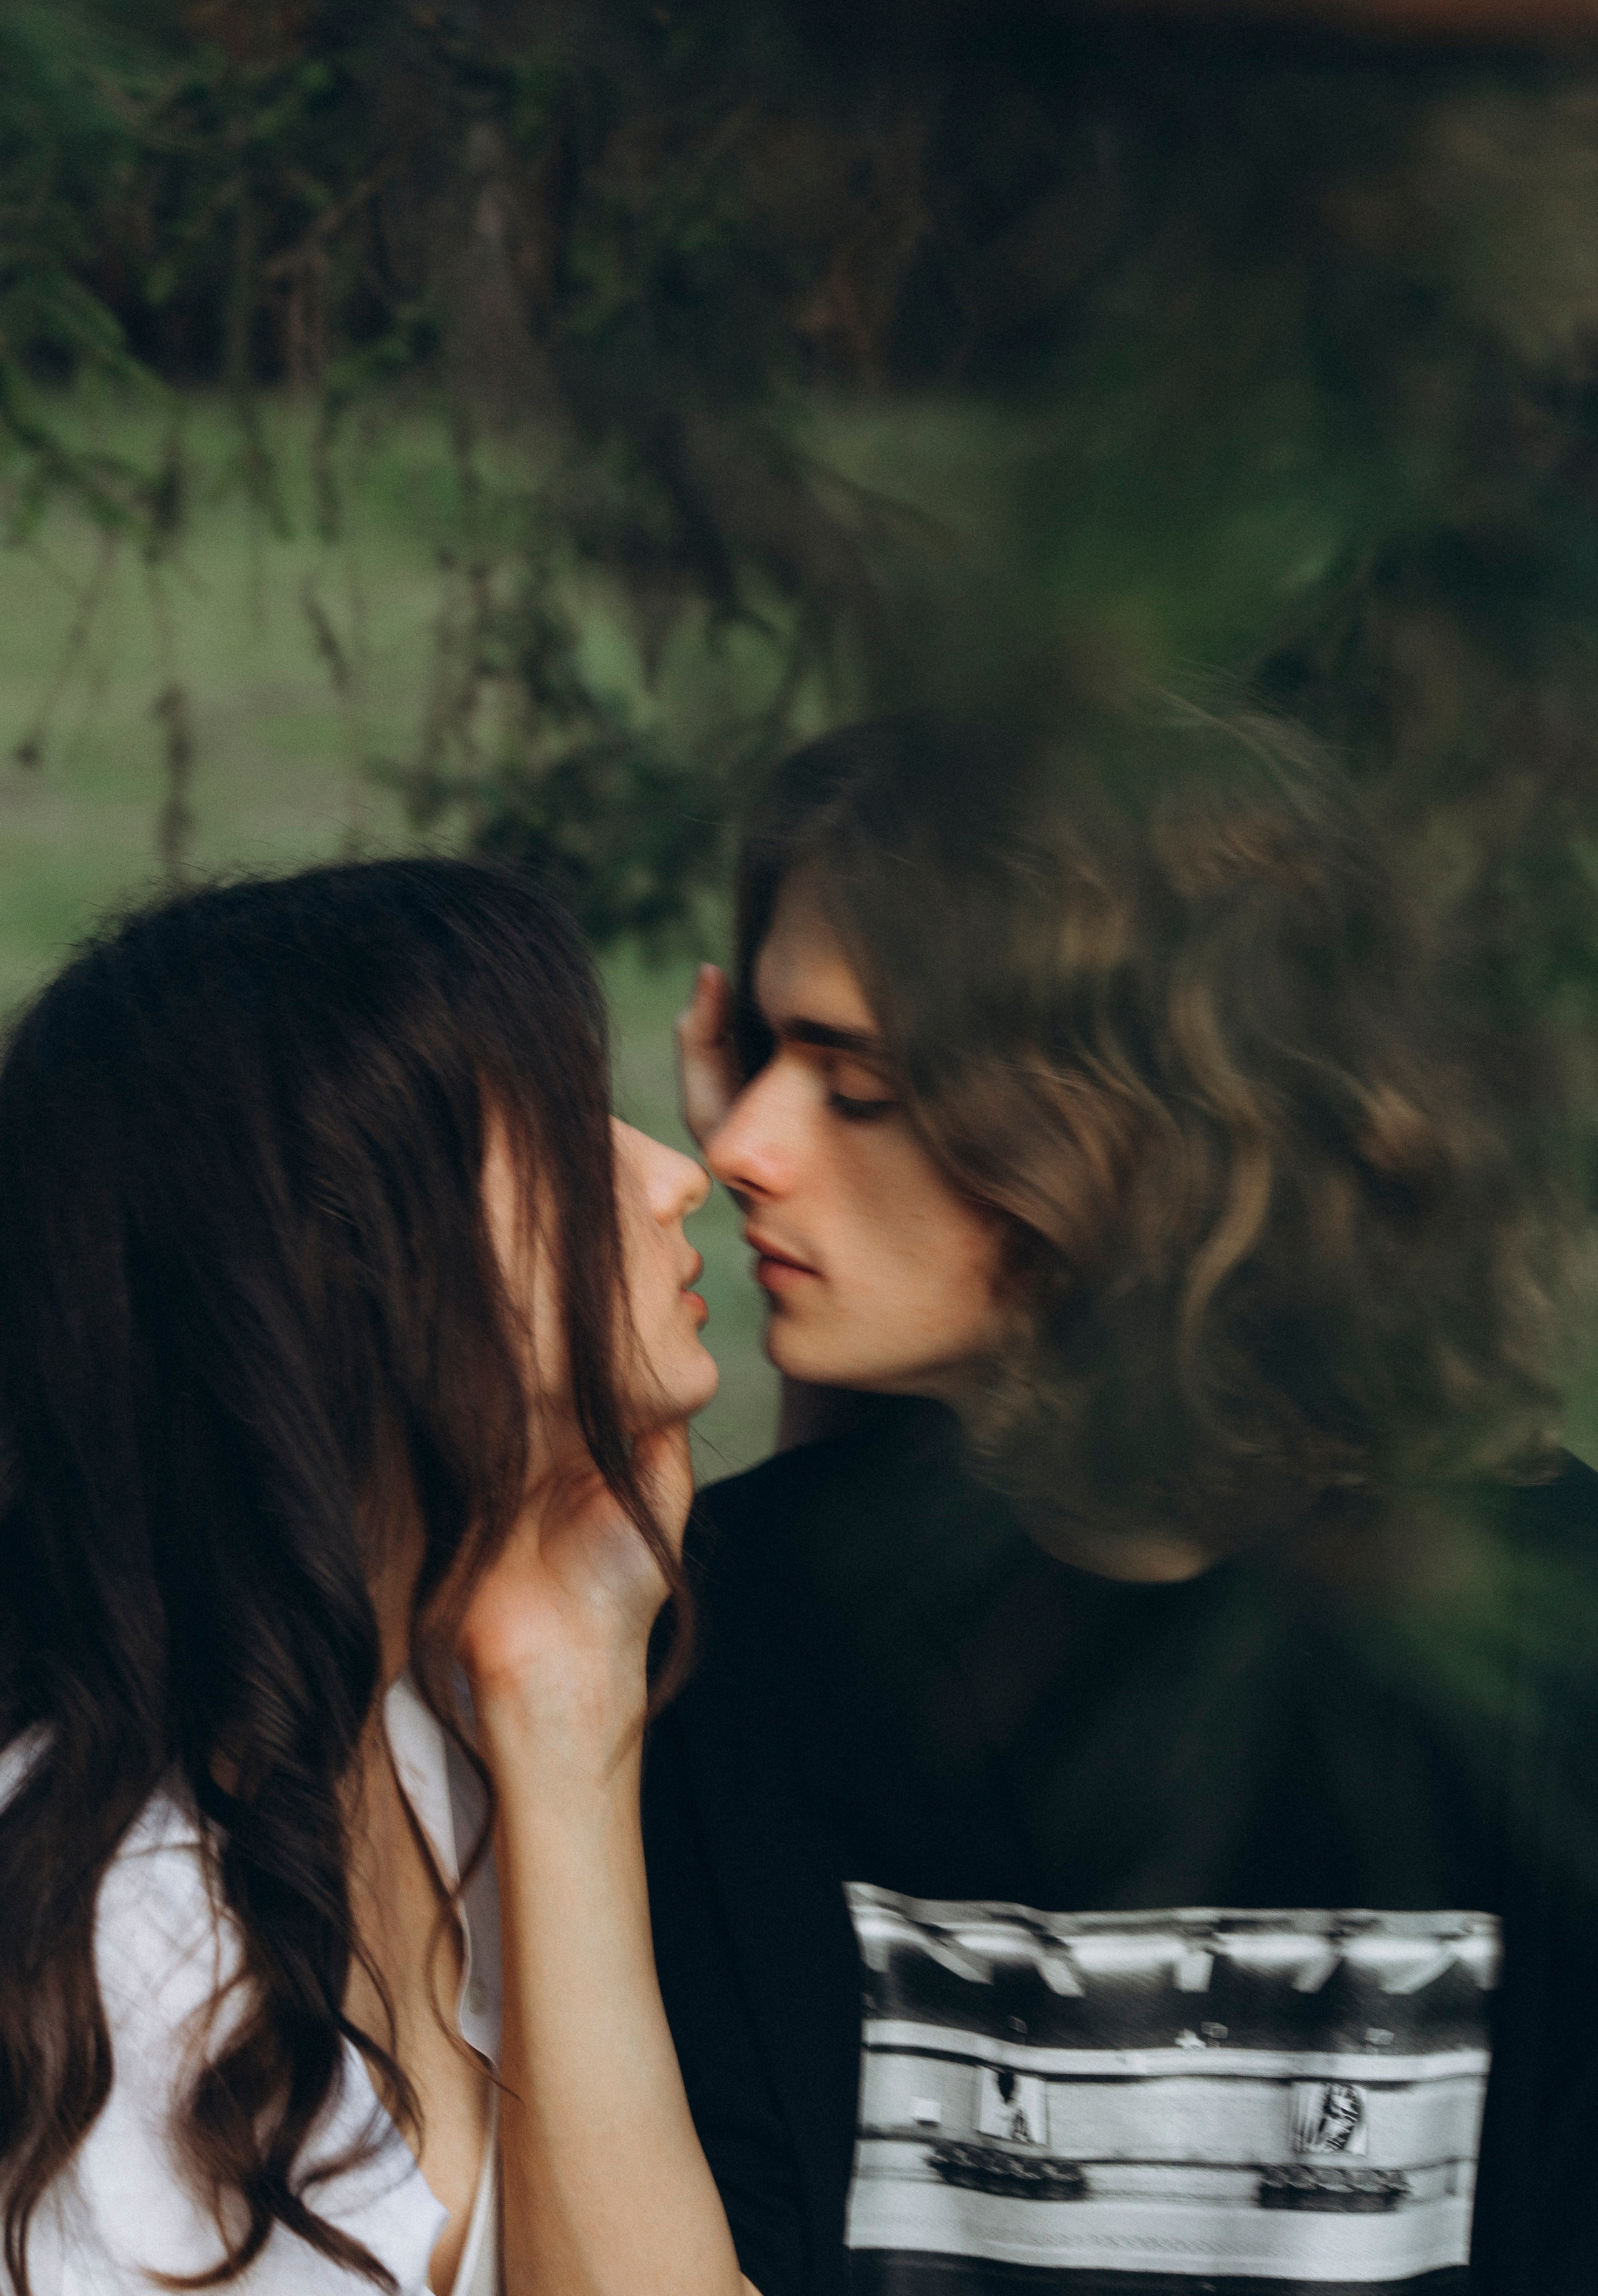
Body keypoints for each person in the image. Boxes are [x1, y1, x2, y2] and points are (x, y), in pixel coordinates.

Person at [647, 698, 1598, 2296]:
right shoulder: (736, 1633)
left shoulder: (1537, 1647)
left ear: (1143, 1137)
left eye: (854, 1083)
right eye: (758, 1056)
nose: (732, 1146)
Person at [0, 859, 764, 2296]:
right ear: (347, 1249)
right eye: (564, 1134)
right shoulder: (93, 1952)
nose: (677, 1178)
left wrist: (564, 1697)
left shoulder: (437, 1739)